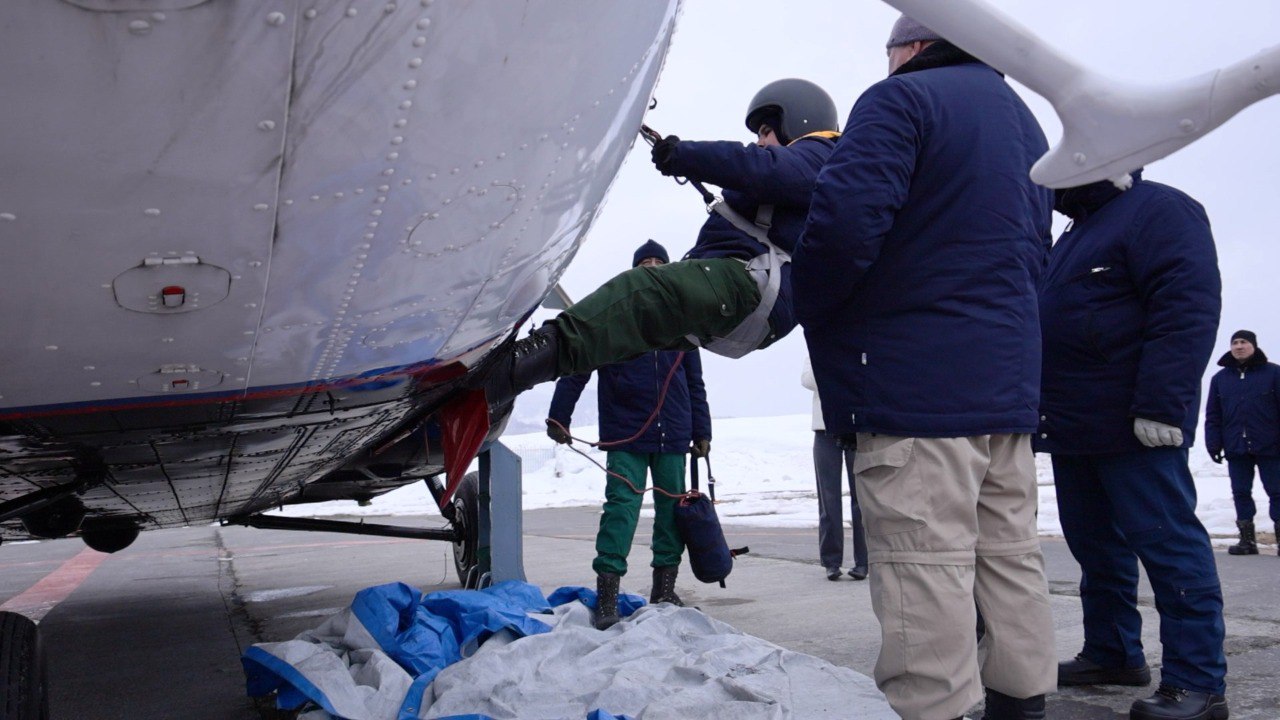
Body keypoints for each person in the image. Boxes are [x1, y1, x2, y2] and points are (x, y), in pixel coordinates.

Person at [792, 15, 1056, 720]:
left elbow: (843, 226)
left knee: (925, 567)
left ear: (913, 47)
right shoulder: (1023, 120)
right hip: (1005, 390)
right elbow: (1034, 251)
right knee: (1009, 556)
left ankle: (936, 708)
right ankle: (1022, 703)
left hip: (916, 387)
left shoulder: (902, 99)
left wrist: (808, 305)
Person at [483, 79, 840, 406]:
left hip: (752, 283)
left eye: (765, 131)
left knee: (640, 293)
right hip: (754, 299)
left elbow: (759, 166)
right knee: (623, 334)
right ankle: (504, 388)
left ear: (800, 121)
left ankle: (507, 371)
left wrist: (685, 155)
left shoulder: (820, 154)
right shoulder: (808, 173)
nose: (759, 142)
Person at [1038, 170, 1227, 720]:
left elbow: (1186, 305)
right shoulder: (1078, 230)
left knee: (1168, 545)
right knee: (1096, 547)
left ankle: (1198, 682)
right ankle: (1114, 651)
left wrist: (1162, 404)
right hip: (1074, 422)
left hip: (1135, 422)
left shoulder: (1158, 209)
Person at [545, 240, 712, 630]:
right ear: (633, 271)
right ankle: (608, 597)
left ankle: (664, 591)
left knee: (671, 514)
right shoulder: (614, 316)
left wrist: (702, 430)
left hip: (673, 434)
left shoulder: (683, 322)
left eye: (658, 261)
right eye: (644, 262)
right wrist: (559, 415)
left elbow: (695, 383)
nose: (651, 266)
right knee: (621, 510)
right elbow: (580, 363)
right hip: (625, 434)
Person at [1206, 329, 1280, 556]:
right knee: (1240, 492)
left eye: (1244, 342)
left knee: (1277, 491)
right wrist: (1213, 444)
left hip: (1271, 446)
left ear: (1253, 346)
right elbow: (1213, 415)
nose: (1239, 346)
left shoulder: (1274, 373)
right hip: (1236, 446)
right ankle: (1247, 541)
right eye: (1235, 342)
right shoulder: (1220, 379)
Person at [801, 356, 867, 581]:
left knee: (862, 497)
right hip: (824, 428)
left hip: (856, 426)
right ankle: (831, 561)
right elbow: (807, 379)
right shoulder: (816, 345)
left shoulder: (858, 344)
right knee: (828, 497)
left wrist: (833, 371)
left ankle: (864, 561)